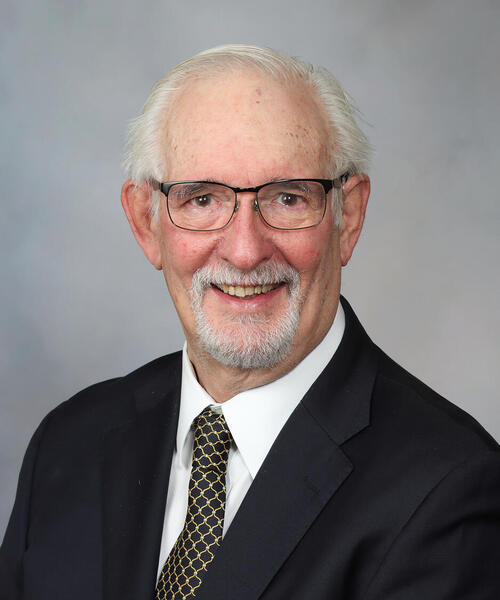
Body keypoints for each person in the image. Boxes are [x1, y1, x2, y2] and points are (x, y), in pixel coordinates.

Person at [1, 44, 499, 600]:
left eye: (287, 198)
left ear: (349, 216)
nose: (244, 251)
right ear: (146, 222)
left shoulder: (450, 490)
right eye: (202, 200)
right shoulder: (69, 445)